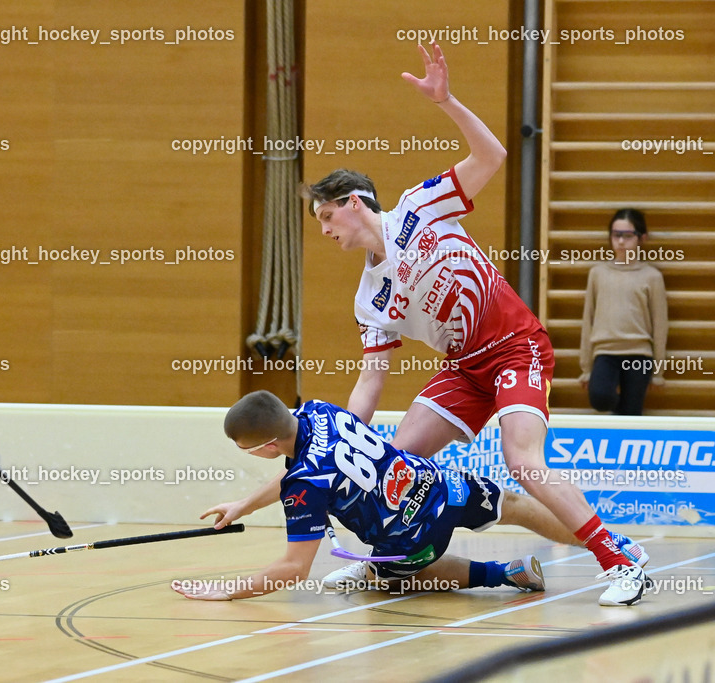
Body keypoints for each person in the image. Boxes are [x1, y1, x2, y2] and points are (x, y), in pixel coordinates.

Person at [214, 42, 650, 606]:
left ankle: (621, 561)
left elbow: (491, 154)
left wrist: (447, 102)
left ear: (353, 202)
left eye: (326, 216)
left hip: (516, 348)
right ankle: (380, 564)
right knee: (389, 460)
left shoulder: (422, 206)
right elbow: (371, 379)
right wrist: (338, 442)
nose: (324, 230)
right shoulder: (369, 297)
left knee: (522, 462)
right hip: (465, 370)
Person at [175, 391, 557, 601]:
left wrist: (230, 589)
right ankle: (609, 543)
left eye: (249, 450)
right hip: (443, 485)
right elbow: (301, 466)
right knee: (516, 505)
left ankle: (504, 573)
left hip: (414, 538)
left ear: (270, 447)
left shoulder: (304, 486)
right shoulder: (318, 410)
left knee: (393, 577)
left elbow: (296, 568)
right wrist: (244, 505)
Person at [579, 209, 668, 415]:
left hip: (639, 354)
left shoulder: (652, 277)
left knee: (630, 414)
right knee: (600, 397)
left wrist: (658, 372)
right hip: (605, 352)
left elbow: (660, 325)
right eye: (616, 234)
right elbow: (588, 318)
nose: (620, 241)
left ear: (641, 238)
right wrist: (586, 369)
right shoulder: (598, 274)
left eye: (627, 236)